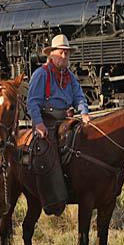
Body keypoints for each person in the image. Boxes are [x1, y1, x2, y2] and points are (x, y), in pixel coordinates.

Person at [27, 34, 91, 216]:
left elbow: (79, 96)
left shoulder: (69, 76)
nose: (65, 57)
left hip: (66, 119)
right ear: (52, 55)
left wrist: (84, 112)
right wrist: (38, 124)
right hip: (46, 120)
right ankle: (53, 199)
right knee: (49, 151)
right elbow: (32, 102)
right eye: (62, 53)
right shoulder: (41, 74)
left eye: (67, 54)